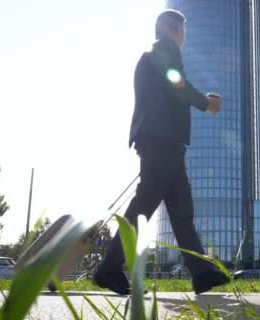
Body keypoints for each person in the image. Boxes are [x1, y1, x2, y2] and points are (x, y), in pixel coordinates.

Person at [93, 9, 241, 295]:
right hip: (160, 139)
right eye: (183, 30)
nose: (184, 36)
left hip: (164, 141)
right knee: (145, 203)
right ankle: (109, 270)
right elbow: (177, 83)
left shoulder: (155, 53)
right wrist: (204, 102)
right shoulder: (165, 49)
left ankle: (202, 274)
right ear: (176, 29)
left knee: (181, 212)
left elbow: (171, 85)